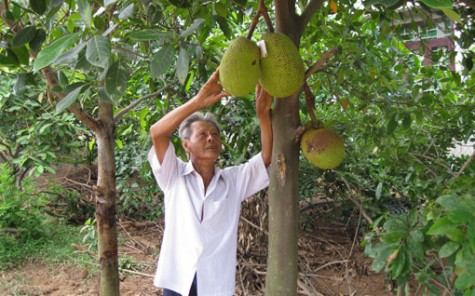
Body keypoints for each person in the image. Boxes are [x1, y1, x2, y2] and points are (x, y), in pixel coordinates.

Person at [148, 68, 273, 296]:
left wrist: (263, 114)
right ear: (186, 145)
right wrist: (198, 101)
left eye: (215, 135)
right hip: (178, 279)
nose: (211, 139)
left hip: (214, 282)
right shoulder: (173, 175)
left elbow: (266, 158)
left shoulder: (233, 181)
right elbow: (157, 133)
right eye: (203, 135)